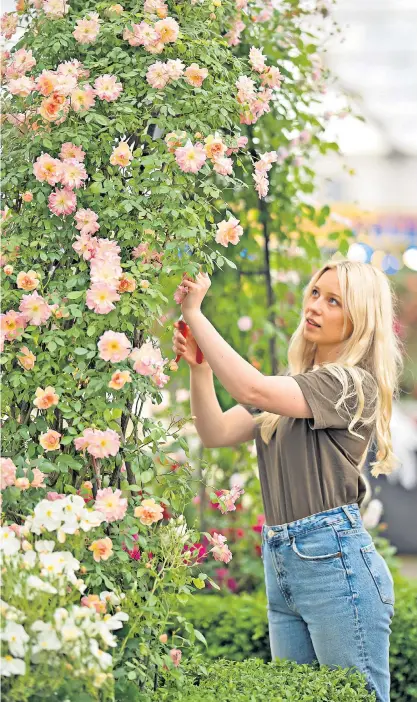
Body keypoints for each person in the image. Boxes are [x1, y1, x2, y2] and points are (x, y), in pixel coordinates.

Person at [172, 260, 403, 702]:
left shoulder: (352, 384)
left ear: (360, 320)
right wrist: (199, 368)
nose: (314, 306)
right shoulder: (295, 389)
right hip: (284, 559)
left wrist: (197, 317)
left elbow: (252, 390)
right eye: (316, 293)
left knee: (356, 697)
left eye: (334, 301)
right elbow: (215, 432)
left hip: (334, 562)